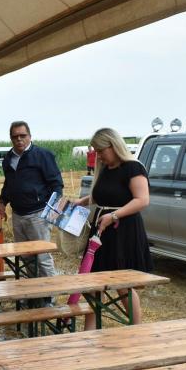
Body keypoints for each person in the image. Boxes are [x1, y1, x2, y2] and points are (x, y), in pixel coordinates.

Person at [74, 128, 152, 330]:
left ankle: (136, 331)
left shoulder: (133, 167)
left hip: (123, 231)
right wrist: (83, 201)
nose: (98, 156)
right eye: (96, 151)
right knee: (92, 283)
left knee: (122, 284)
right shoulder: (106, 169)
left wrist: (114, 216)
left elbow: (142, 200)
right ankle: (90, 333)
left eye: (101, 151)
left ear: (113, 145)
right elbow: (105, 194)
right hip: (102, 230)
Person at [0, 121, 63, 300]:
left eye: (22, 136)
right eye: (15, 137)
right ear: (11, 138)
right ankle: (33, 295)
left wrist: (53, 209)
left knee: (42, 257)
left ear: (30, 136)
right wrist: (2, 203)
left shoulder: (43, 155)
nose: (19, 139)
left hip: (38, 215)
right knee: (26, 258)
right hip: (18, 215)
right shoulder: (8, 159)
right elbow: (9, 184)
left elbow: (56, 184)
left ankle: (49, 297)